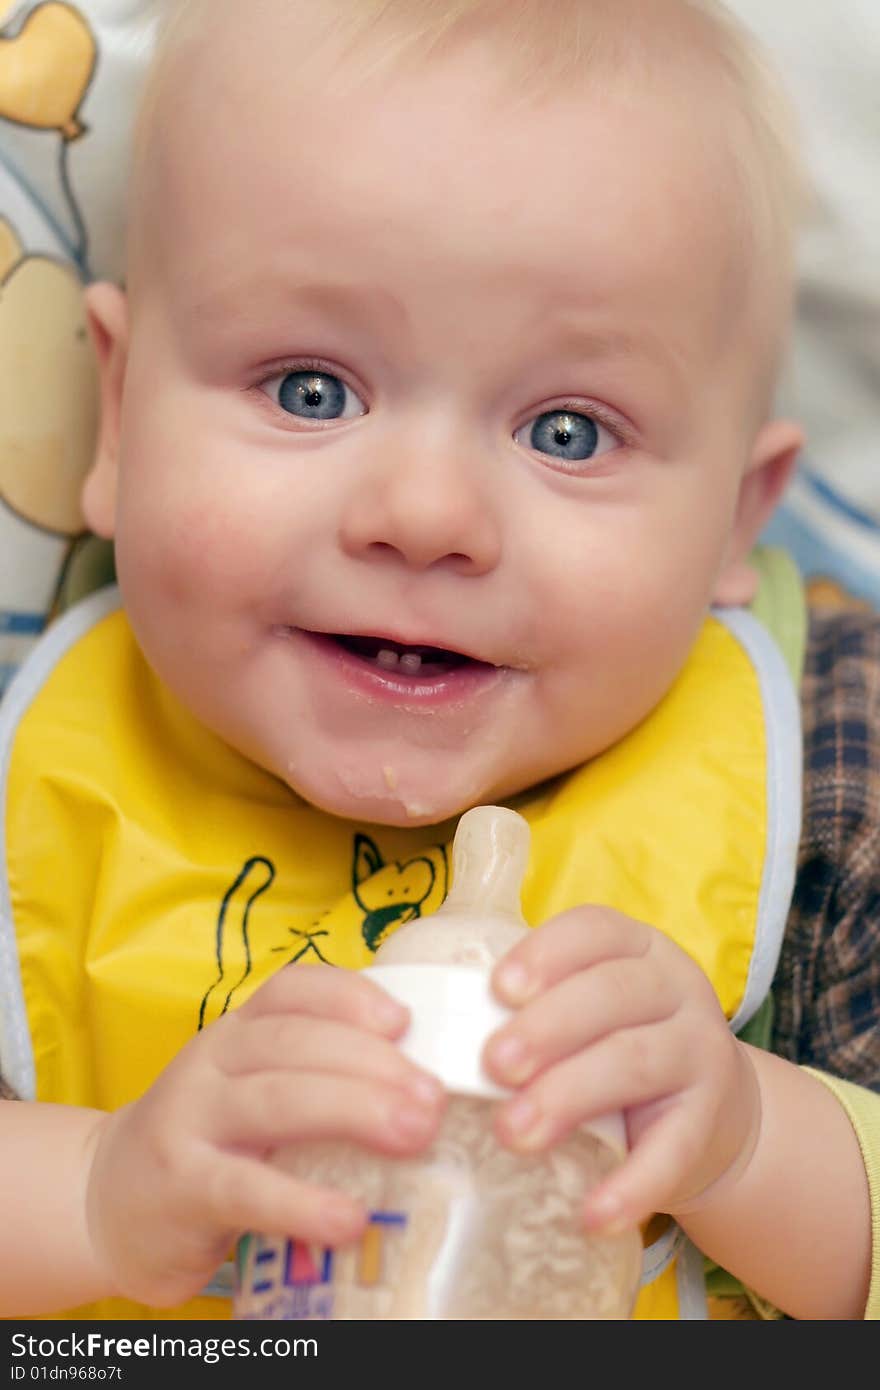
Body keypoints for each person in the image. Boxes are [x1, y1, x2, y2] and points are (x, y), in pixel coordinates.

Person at [0, 0, 877, 1321]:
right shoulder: (41, 777)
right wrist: (92, 1200)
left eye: (571, 430)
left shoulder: (831, 780)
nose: (425, 515)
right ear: (115, 414)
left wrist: (753, 1139)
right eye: (311, 389)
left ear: (735, 522)